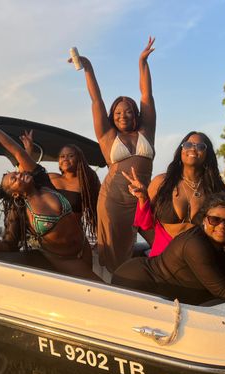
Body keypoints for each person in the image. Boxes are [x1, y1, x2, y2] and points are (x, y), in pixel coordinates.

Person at [0, 106, 98, 280]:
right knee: (102, 288)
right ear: (15, 194)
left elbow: (17, 152)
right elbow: (10, 244)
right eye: (14, 179)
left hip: (83, 247)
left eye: (18, 173)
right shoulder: (21, 211)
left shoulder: (44, 183)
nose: (19, 175)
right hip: (65, 259)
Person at [72, 37, 156, 273]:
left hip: (143, 198)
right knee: (116, 256)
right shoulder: (107, 136)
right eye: (118, 112)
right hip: (114, 200)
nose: (123, 116)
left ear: (135, 114)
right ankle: (121, 290)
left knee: (161, 242)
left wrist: (142, 62)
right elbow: (96, 99)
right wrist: (88, 69)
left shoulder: (146, 131)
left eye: (128, 111)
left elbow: (146, 95)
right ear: (112, 115)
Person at [123, 131, 225, 256]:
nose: (193, 148)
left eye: (200, 146)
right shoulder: (161, 182)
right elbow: (144, 224)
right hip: (164, 258)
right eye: (188, 145)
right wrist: (142, 198)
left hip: (202, 257)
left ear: (207, 154)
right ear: (181, 150)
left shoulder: (215, 188)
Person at [20, 130, 101, 242]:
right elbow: (23, 178)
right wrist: (28, 150)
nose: (65, 159)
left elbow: (97, 215)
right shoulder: (51, 178)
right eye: (62, 156)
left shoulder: (86, 183)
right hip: (46, 237)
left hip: (72, 237)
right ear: (58, 161)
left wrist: (102, 240)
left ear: (79, 159)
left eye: (70, 156)